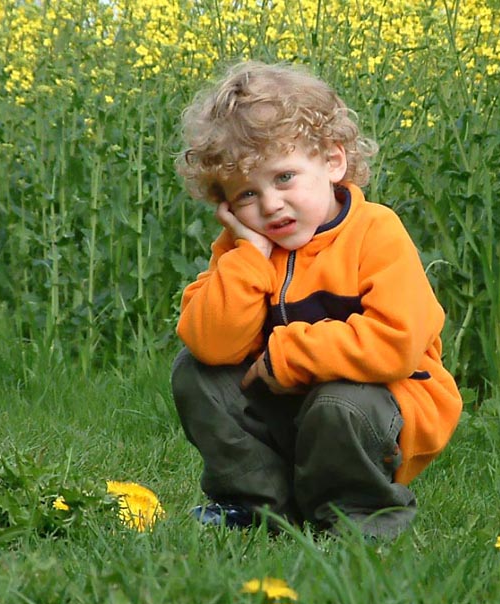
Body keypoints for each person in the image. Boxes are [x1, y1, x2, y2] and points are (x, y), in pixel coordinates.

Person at [170, 61, 462, 539]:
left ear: (332, 161)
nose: (269, 205)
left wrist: (287, 357)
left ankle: (356, 519)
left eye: (284, 178)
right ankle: (258, 508)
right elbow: (210, 344)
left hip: (378, 406)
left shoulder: (375, 233)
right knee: (194, 372)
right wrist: (250, 254)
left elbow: (397, 341)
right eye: (246, 192)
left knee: (339, 403)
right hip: (292, 407)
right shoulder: (245, 247)